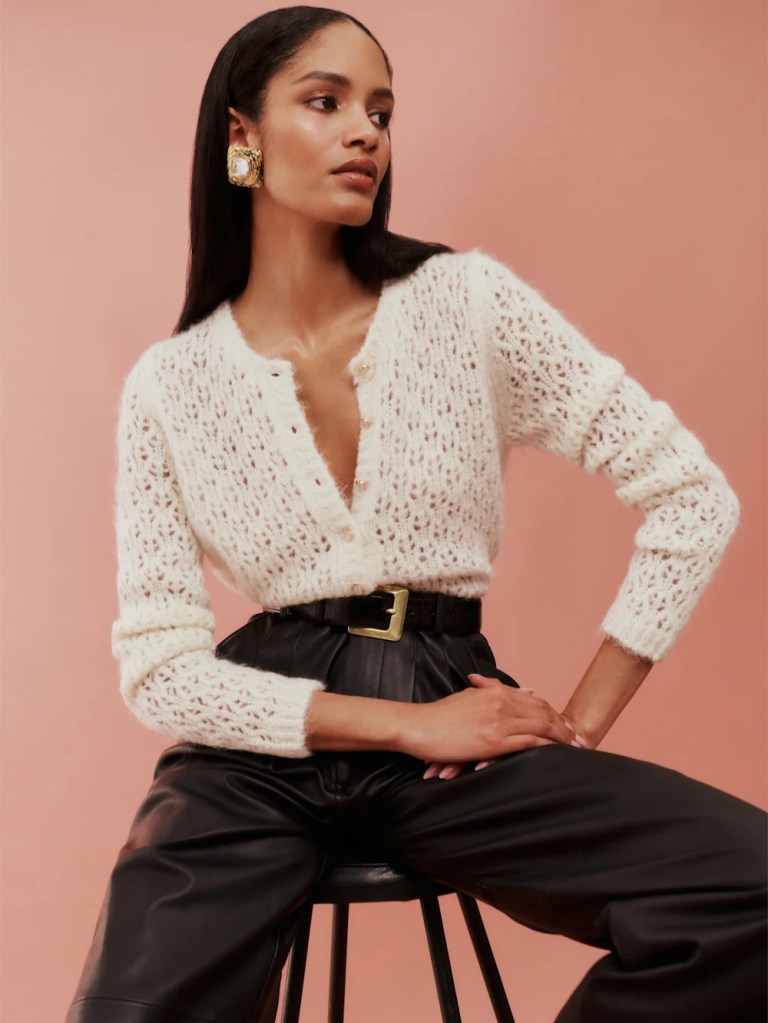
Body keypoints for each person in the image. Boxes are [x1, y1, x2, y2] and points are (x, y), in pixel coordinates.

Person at [65, 7, 767, 1022]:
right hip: (258, 757)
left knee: (751, 890)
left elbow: (691, 494)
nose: (366, 132)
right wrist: (402, 724)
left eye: (381, 112)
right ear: (242, 135)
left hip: (454, 724)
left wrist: (576, 725)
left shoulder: (466, 302)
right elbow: (161, 668)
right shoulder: (169, 386)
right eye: (326, 102)